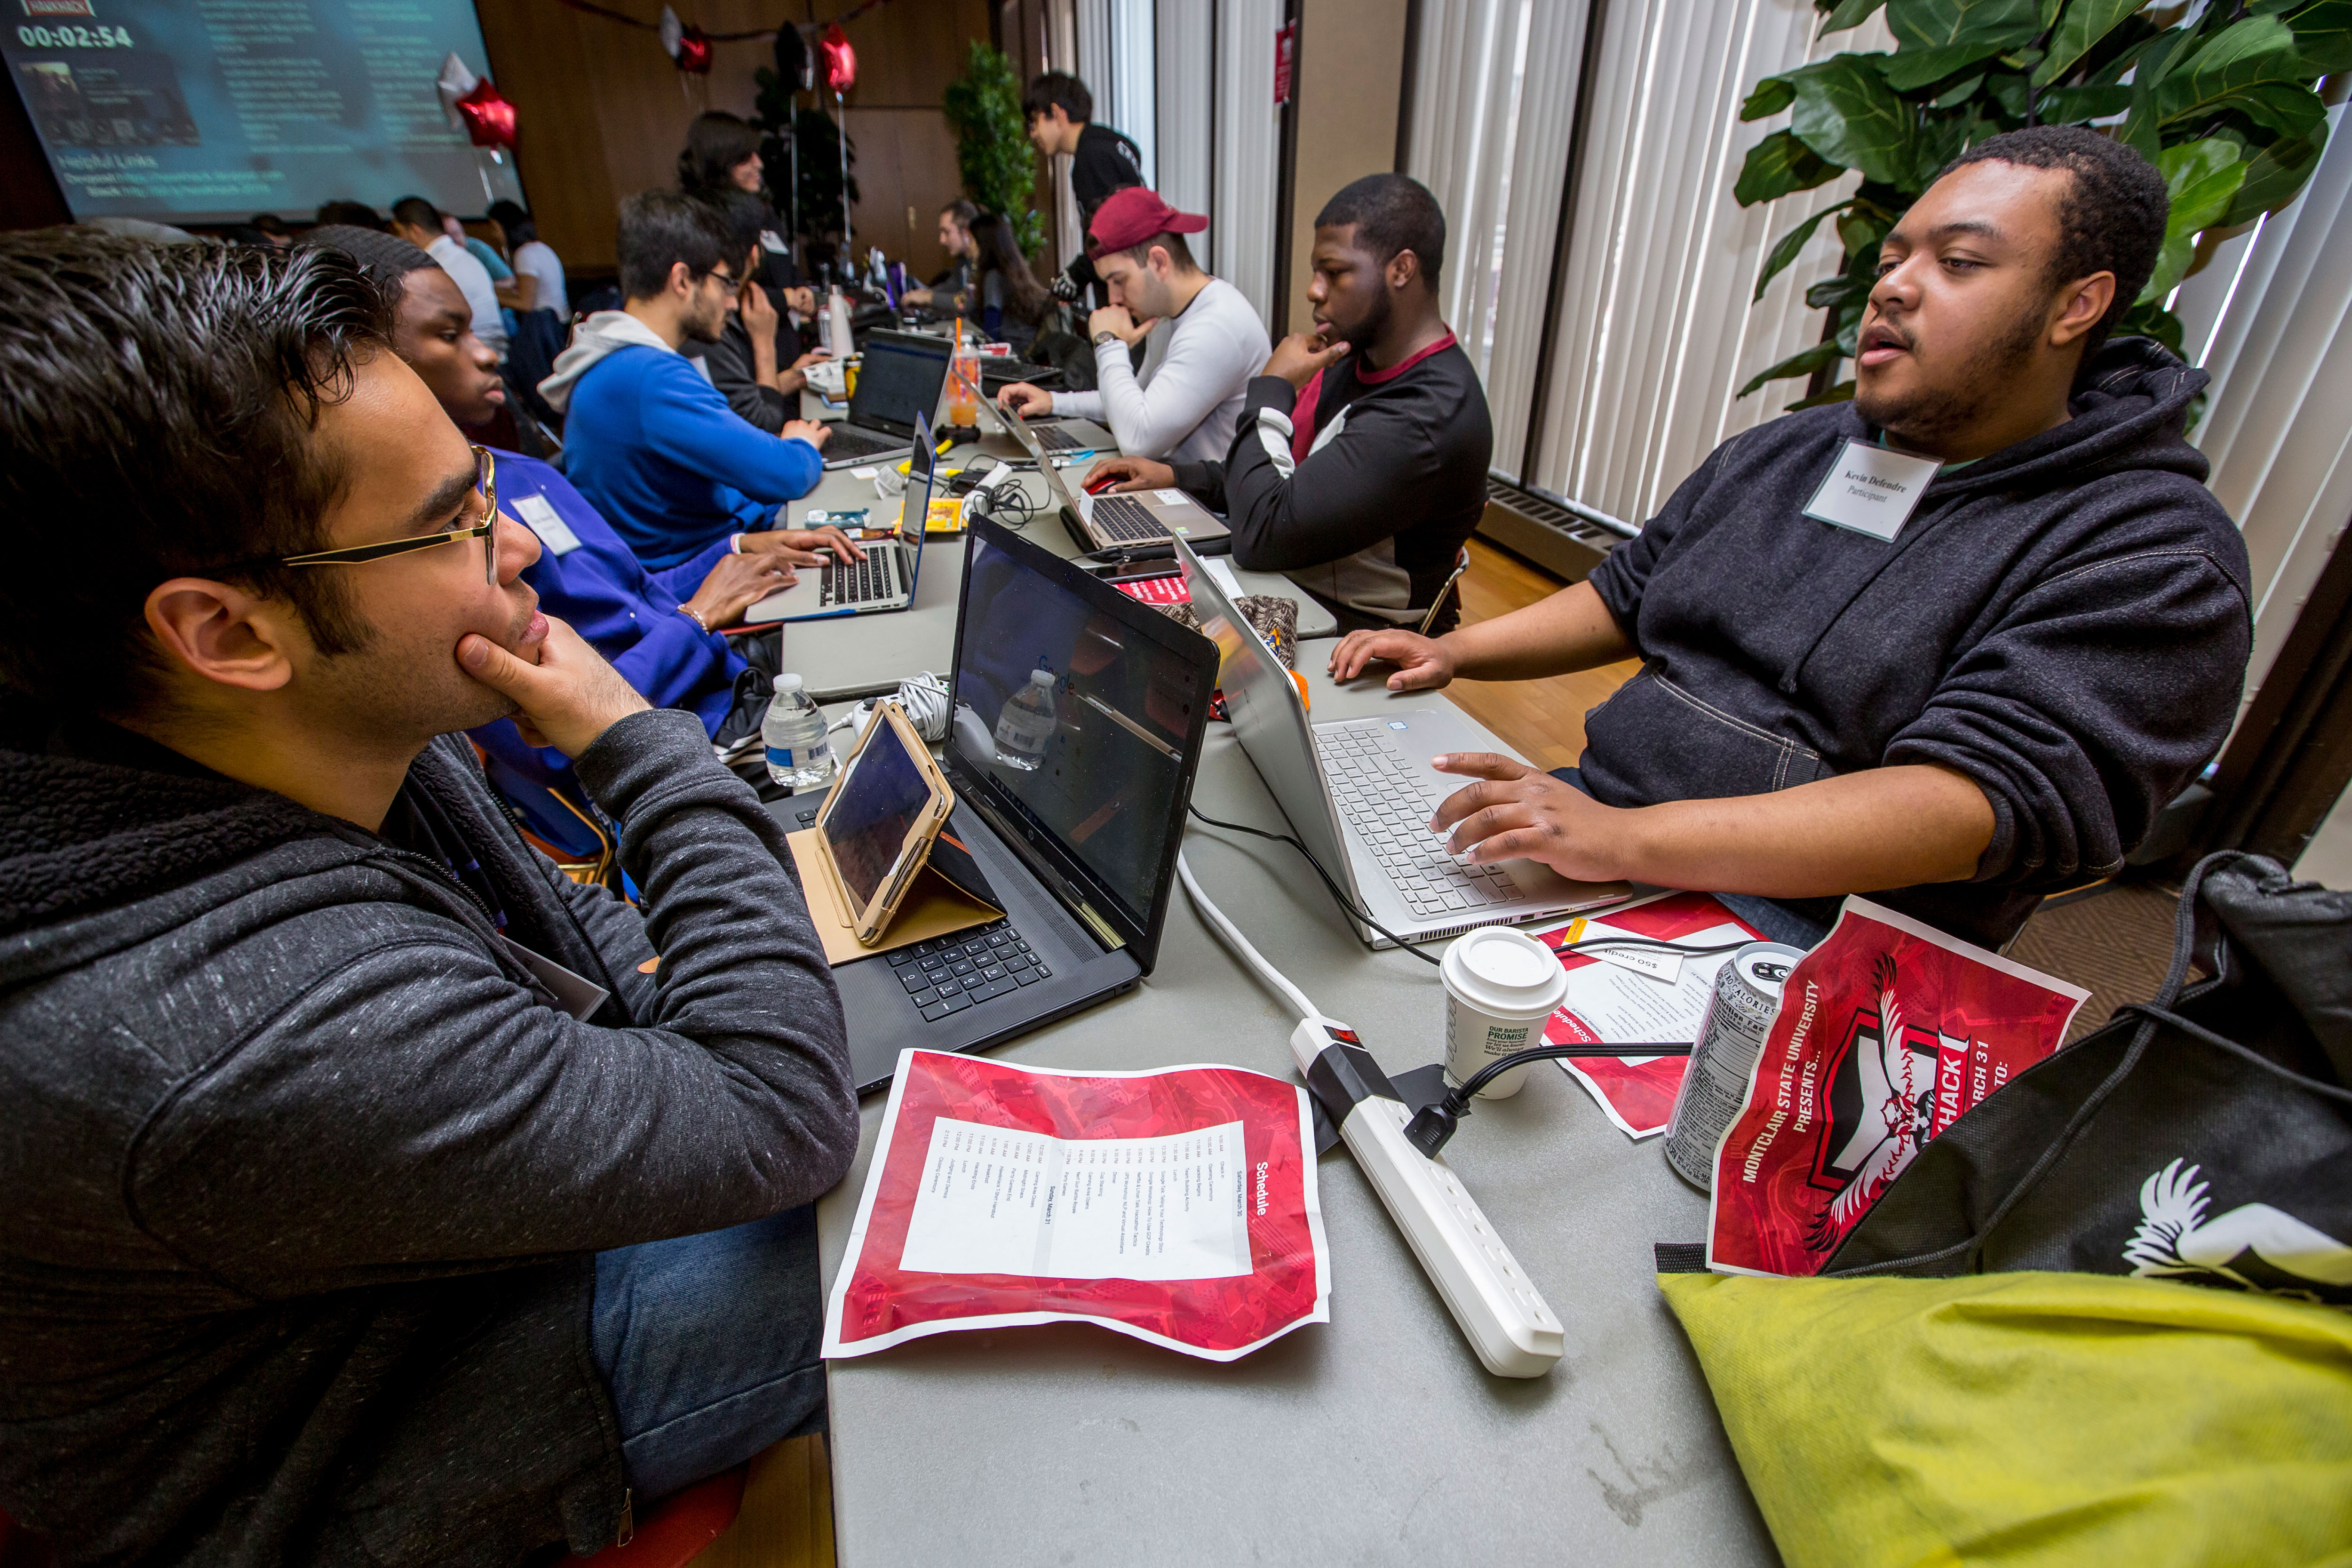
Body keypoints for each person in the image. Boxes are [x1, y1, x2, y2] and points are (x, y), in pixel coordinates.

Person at [0, 228, 858, 1564]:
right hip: (379, 1432)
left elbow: (586, 957)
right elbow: (776, 1115)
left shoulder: (312, 732)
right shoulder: (228, 1030)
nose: (515, 544)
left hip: (421, 1270)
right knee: (895, 1215)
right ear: (226, 633)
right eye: (449, 523)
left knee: (883, 1063)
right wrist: (640, 741)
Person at [1327, 127, 2254, 952]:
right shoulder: (1795, 448)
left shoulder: (2153, 552)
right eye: (1893, 257)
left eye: (1958, 263)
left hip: (1816, 932)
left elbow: (1969, 799)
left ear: (2075, 305)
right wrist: (1451, 649)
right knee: (1336, 892)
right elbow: (1629, 592)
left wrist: (1622, 841)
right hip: (1605, 823)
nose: (1892, 285)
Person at [300, 223, 861, 830]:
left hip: (720, 686)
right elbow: (559, 735)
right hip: (687, 739)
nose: (489, 350)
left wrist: (736, 547)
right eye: (448, 335)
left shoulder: (517, 471)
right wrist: (697, 618)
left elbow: (633, 590)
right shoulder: (414, 561)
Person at [1092, 175, 1488, 631]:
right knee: (1102, 593)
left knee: (1119, 636)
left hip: (1353, 631)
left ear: (1401, 270)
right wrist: (1177, 475)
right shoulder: (1352, 357)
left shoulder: (1426, 414)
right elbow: (1293, 477)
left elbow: (1263, 534)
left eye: (1334, 273)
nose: (1314, 291)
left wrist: (1271, 387)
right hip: (1292, 587)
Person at [540, 191, 833, 571]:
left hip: (703, 556)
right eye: (726, 284)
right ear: (682, 280)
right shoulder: (649, 378)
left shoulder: (610, 362)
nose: (732, 303)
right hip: (707, 575)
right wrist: (802, 445)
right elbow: (786, 475)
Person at [998, 187, 1265, 462]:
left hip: (1207, 503)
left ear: (1159, 262)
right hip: (1175, 486)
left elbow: (1138, 441)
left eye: (1119, 280)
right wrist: (1054, 402)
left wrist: (1107, 341)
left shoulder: (1216, 327)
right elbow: (1132, 402)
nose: (1114, 298)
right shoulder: (1168, 315)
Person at [703, 188, 834, 434]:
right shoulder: (710, 326)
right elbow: (763, 424)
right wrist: (764, 345)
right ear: (755, 253)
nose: (730, 304)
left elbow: (739, 407)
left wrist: (794, 377)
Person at [680, 109, 816, 318]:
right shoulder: (703, 224)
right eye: (745, 159)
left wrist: (801, 289)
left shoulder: (763, 211)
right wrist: (785, 298)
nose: (759, 164)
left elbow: (784, 264)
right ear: (720, 164)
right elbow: (724, 294)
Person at [1023, 70, 1143, 306]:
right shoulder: (1114, 143)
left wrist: (1075, 275)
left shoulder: (1090, 159)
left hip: (1122, 296)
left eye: (1034, 122)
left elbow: (1110, 237)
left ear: (1056, 114)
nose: (1033, 134)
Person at [390, 193, 507, 354]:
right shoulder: (465, 256)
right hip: (496, 348)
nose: (399, 239)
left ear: (414, 231)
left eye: (400, 232)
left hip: (475, 351)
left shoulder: (434, 266)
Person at [964, 211, 1054, 355]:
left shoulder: (993, 277)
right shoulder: (1013, 271)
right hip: (1027, 349)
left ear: (983, 244)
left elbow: (991, 334)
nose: (968, 246)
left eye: (971, 240)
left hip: (1013, 354)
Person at [491, 196, 568, 318]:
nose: (494, 235)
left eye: (496, 229)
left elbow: (525, 304)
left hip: (546, 328)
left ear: (507, 228)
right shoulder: (540, 248)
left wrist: (490, 298)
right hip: (558, 322)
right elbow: (523, 292)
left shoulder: (524, 255)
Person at [901, 198, 979, 311]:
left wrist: (928, 298)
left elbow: (966, 301)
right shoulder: (963, 263)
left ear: (966, 232)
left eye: (947, 232)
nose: (942, 240)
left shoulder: (981, 262)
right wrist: (925, 293)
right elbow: (953, 287)